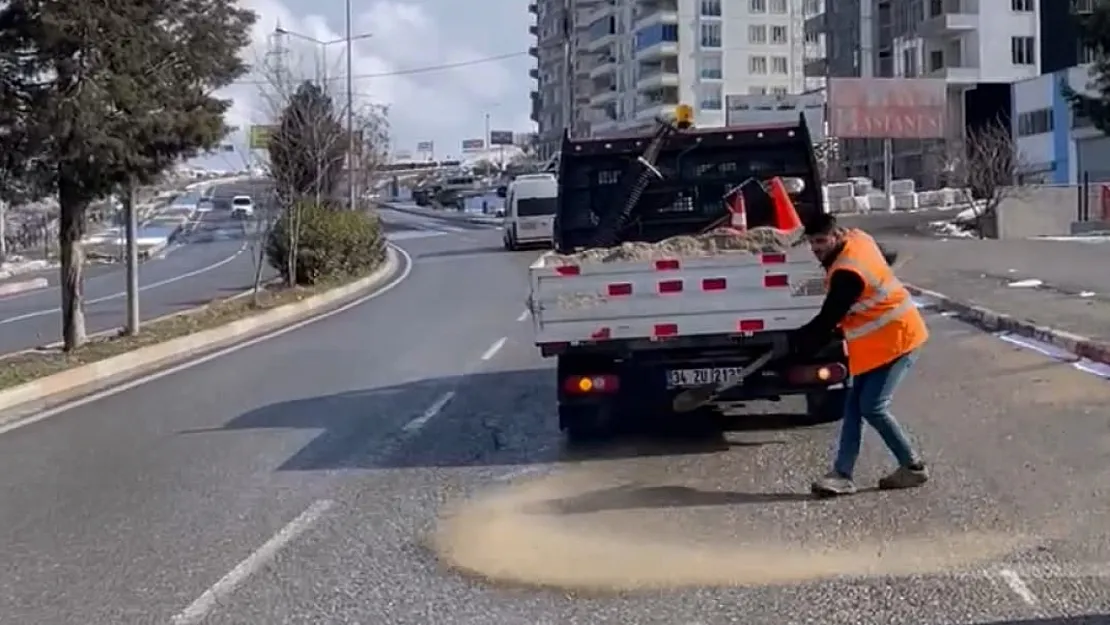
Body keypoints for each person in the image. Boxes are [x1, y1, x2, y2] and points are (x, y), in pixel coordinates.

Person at [790, 212, 929, 497]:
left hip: (898, 339)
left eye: (821, 241)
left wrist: (796, 345)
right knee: (853, 407)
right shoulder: (858, 238)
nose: (817, 248)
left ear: (836, 235)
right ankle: (842, 475)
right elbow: (885, 258)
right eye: (812, 242)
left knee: (872, 407)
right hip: (875, 344)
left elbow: (828, 318)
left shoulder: (847, 274)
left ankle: (913, 466)